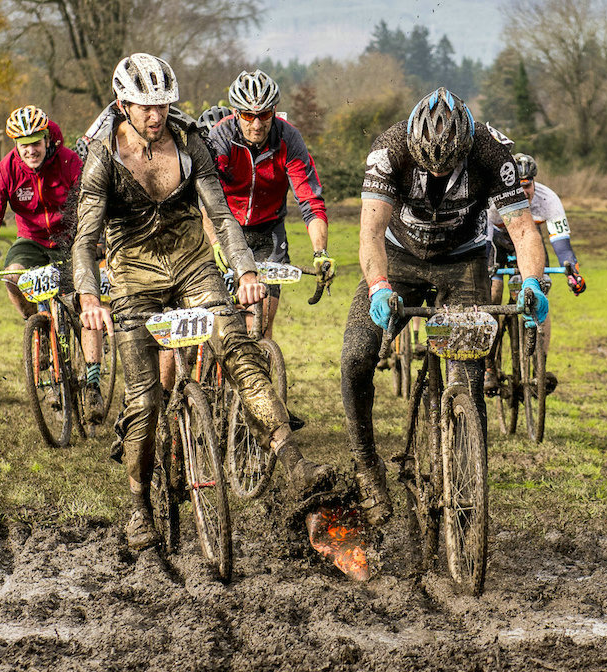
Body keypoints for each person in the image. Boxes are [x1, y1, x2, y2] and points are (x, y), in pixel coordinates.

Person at [72, 53, 330, 551]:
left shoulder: (190, 141)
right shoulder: (103, 155)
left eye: (163, 106)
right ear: (123, 104)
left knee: (239, 348)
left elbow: (221, 214)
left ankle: (291, 461)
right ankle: (138, 505)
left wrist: (246, 270)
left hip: (192, 263)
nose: (156, 116)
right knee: (144, 402)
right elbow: (85, 240)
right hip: (133, 277)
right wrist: (88, 296)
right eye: (146, 107)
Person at [340, 88, 549, 527]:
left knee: (468, 380)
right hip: (398, 257)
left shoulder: (493, 152)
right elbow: (370, 232)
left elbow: (524, 230)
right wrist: (379, 286)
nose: (437, 172)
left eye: (447, 165)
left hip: (464, 262)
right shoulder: (390, 150)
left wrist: (531, 281)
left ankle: (465, 485)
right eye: (429, 166)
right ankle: (366, 463)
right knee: (356, 355)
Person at [0, 106, 105, 418]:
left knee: (85, 302)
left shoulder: (69, 161)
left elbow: (94, 202)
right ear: (16, 144)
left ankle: (93, 385)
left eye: (35, 142)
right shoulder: (8, 169)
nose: (30, 150)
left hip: (72, 240)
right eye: (23, 144)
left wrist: (98, 241)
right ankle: (36, 327)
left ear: (47, 139)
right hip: (32, 241)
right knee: (12, 277)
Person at [206, 69, 334, 340]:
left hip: (268, 232)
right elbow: (207, 196)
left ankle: (260, 373)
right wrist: (215, 241)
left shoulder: (289, 138)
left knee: (260, 325)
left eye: (264, 115)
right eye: (247, 115)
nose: (256, 125)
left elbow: (310, 201)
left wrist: (320, 252)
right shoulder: (220, 137)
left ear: (274, 111)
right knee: (219, 324)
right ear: (235, 112)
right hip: (226, 230)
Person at [485, 151, 585, 391]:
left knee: (540, 297)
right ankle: (488, 365)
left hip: (530, 244)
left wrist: (573, 273)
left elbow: (561, 243)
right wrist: (486, 269)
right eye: (519, 187)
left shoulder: (548, 199)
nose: (524, 193)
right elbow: (485, 243)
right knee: (493, 293)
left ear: (534, 182)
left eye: (527, 186)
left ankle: (540, 366)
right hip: (498, 244)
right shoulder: (492, 202)